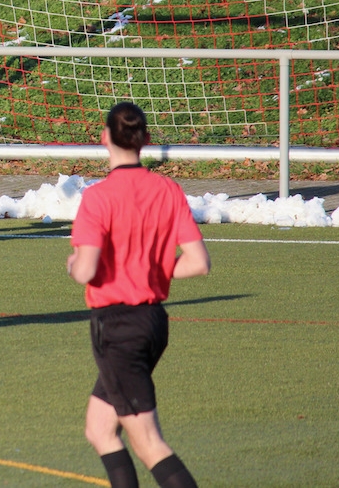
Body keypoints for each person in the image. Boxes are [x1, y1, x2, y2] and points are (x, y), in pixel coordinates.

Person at [67, 102, 211, 488]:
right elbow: (198, 262)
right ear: (145, 139)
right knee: (100, 429)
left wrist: (73, 264)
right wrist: (150, 270)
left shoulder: (98, 197)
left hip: (118, 329)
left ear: (104, 138)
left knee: (149, 444)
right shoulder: (168, 190)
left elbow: (85, 270)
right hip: (152, 323)